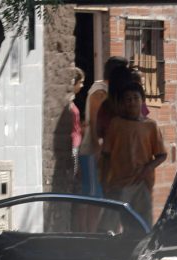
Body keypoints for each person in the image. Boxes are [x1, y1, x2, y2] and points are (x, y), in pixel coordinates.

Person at [101, 82, 166, 227]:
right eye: (128, 99)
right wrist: (104, 180)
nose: (132, 102)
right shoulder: (116, 124)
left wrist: (147, 169)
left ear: (142, 100)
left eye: (135, 98)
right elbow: (106, 154)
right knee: (110, 225)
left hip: (141, 182)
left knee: (142, 225)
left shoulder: (150, 126)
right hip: (119, 182)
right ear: (123, 103)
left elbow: (162, 155)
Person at [73, 56, 127, 232]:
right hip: (93, 151)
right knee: (93, 196)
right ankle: (87, 233)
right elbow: (96, 126)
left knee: (102, 195)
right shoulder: (99, 92)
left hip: (107, 153)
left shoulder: (112, 91)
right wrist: (99, 152)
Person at [69, 67, 84, 176]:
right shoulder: (69, 104)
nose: (82, 85)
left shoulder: (71, 101)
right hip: (74, 147)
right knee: (73, 175)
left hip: (77, 145)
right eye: (81, 82)